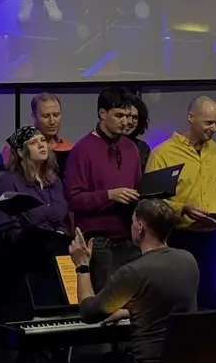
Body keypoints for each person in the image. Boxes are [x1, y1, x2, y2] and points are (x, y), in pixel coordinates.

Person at [68, 199, 200, 363]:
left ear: (140, 227)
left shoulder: (133, 272)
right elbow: (167, 305)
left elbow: (88, 312)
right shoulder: (189, 260)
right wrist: (128, 312)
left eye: (132, 222)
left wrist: (82, 265)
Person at [0, 125, 70, 352]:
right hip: (23, 267)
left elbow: (61, 217)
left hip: (53, 262)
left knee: (54, 335)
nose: (42, 145)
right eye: (34, 143)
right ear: (20, 152)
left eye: (43, 141)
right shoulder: (8, 181)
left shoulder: (54, 180)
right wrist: (33, 241)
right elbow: (2, 224)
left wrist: (62, 235)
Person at [145, 96, 216, 310]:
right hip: (178, 238)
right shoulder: (163, 154)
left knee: (209, 299)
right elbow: (151, 201)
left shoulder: (215, 151)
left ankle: (209, 334)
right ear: (191, 118)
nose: (214, 129)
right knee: (179, 301)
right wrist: (183, 209)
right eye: (209, 123)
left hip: (209, 238)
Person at [64, 86, 143, 291]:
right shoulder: (82, 150)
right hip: (99, 244)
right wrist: (109, 196)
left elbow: (138, 187)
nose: (125, 121)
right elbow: (73, 199)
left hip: (130, 241)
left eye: (128, 116)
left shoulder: (131, 148)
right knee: (105, 303)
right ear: (102, 113)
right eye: (119, 116)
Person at [125, 92, 152, 173]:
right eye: (126, 116)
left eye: (135, 117)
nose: (130, 121)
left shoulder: (142, 148)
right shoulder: (103, 146)